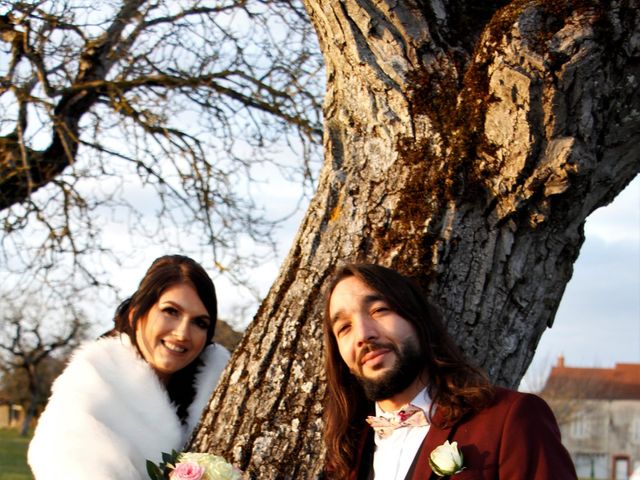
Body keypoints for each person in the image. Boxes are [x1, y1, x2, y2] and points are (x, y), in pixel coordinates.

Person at [323, 263, 577, 480]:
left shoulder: (511, 418)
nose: (363, 334)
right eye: (344, 327)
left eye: (379, 310)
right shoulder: (345, 459)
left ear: (417, 320)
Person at [28, 255, 230, 480]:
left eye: (199, 323)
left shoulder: (220, 392)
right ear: (136, 314)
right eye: (171, 311)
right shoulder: (90, 385)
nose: (182, 333)